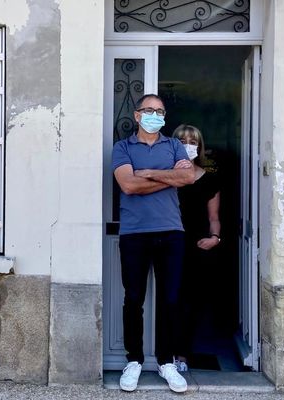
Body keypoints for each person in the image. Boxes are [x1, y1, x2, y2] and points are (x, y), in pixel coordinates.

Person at [112, 94, 195, 393]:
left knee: (170, 300)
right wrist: (169, 177)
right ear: (137, 116)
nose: (154, 115)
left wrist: (150, 173)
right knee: (133, 299)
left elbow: (189, 177)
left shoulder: (174, 145)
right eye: (149, 110)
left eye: (160, 111)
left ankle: (166, 362)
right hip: (134, 233)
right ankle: (133, 360)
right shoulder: (122, 147)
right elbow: (128, 184)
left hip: (172, 232)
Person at [173, 124, 221, 371]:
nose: (188, 145)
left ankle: (181, 355)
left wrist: (215, 238)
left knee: (191, 301)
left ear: (199, 146)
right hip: (170, 243)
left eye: (193, 141)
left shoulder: (209, 178)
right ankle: (163, 353)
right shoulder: (167, 175)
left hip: (198, 246)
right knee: (169, 298)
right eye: (182, 140)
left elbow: (214, 217)